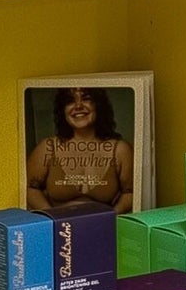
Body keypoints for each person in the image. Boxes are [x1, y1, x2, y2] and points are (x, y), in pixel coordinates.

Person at [26, 86, 133, 216]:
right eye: (70, 101)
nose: (78, 106)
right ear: (63, 110)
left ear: (98, 105)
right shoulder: (47, 148)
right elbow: (30, 188)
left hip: (104, 226)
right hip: (59, 225)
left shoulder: (120, 149)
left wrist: (111, 216)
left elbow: (131, 192)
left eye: (86, 99)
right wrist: (52, 217)